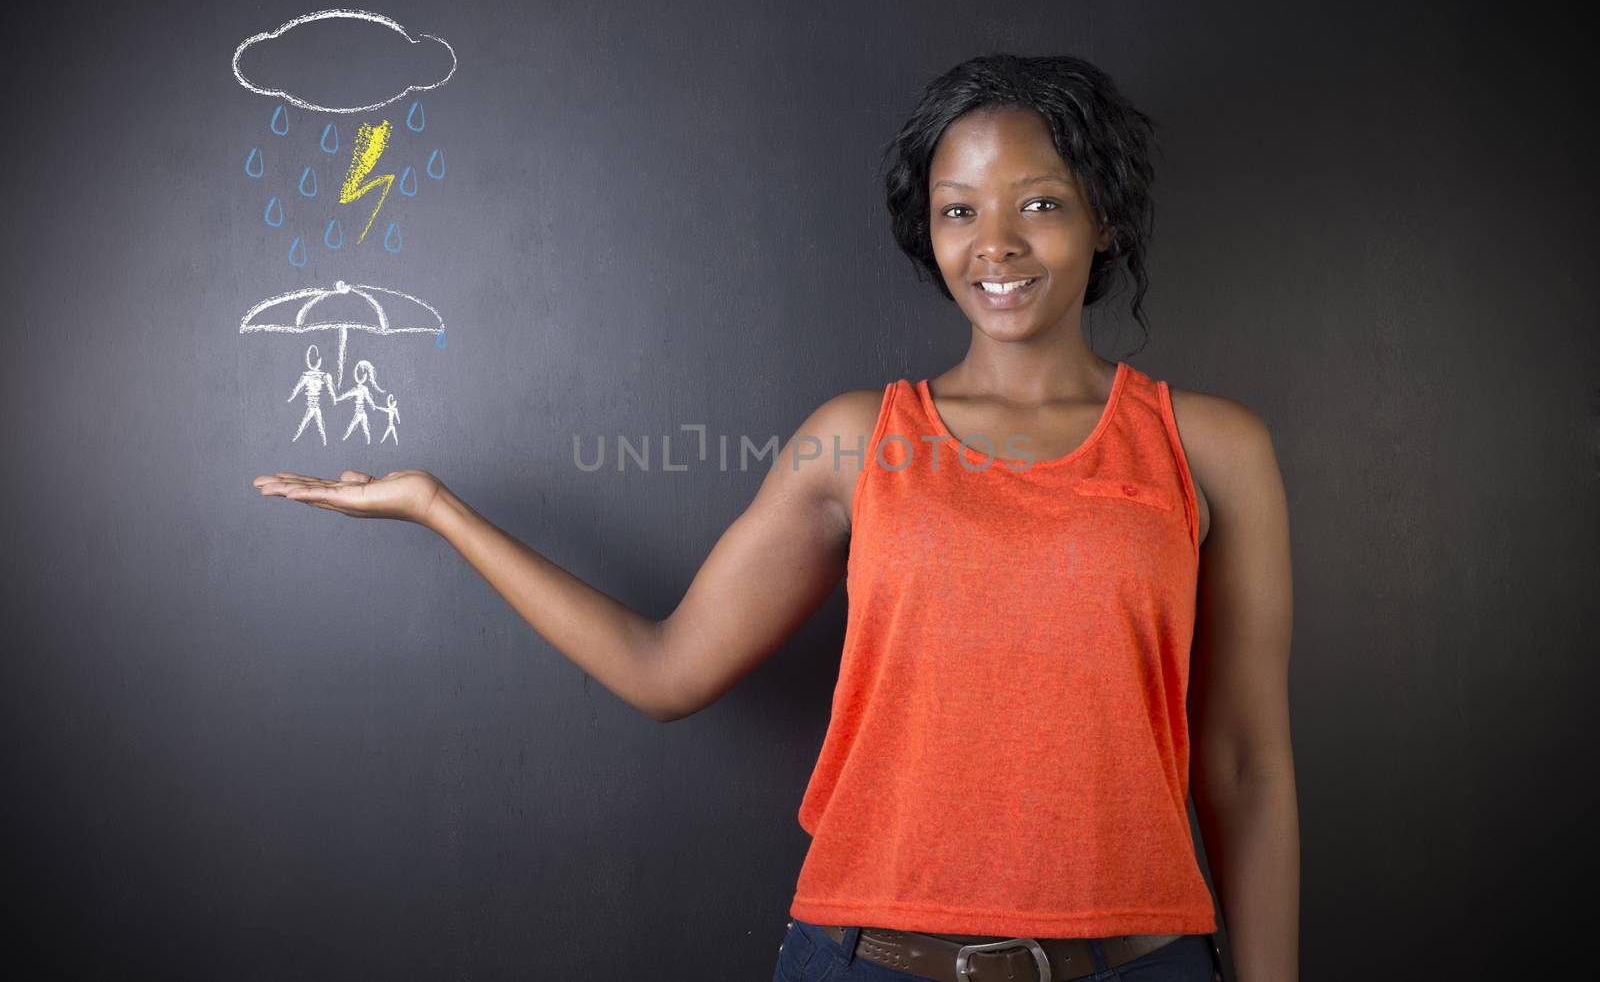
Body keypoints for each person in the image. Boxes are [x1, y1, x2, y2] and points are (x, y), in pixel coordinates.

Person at [252, 53, 1298, 982]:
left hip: (1141, 961)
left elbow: (1245, 761)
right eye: (957, 208)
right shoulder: (854, 437)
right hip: (867, 959)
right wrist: (439, 508)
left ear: (1101, 215)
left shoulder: (1206, 445)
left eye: (1038, 204)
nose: (995, 243)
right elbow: (666, 670)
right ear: (925, 228)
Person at [286, 344, 336, 445]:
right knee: (312, 423)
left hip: (314, 405)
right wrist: (334, 398)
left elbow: (296, 390)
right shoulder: (314, 376)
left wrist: (290, 398)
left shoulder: (319, 376)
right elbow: (296, 390)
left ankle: (323, 441)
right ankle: (323, 441)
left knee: (311, 423)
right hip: (313, 405)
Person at [335, 360, 383, 444]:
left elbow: (346, 395)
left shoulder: (359, 389)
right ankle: (365, 441)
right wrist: (372, 405)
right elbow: (368, 399)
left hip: (360, 413)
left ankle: (348, 439)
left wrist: (338, 399)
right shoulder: (362, 389)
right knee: (360, 428)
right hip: (361, 413)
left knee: (355, 427)